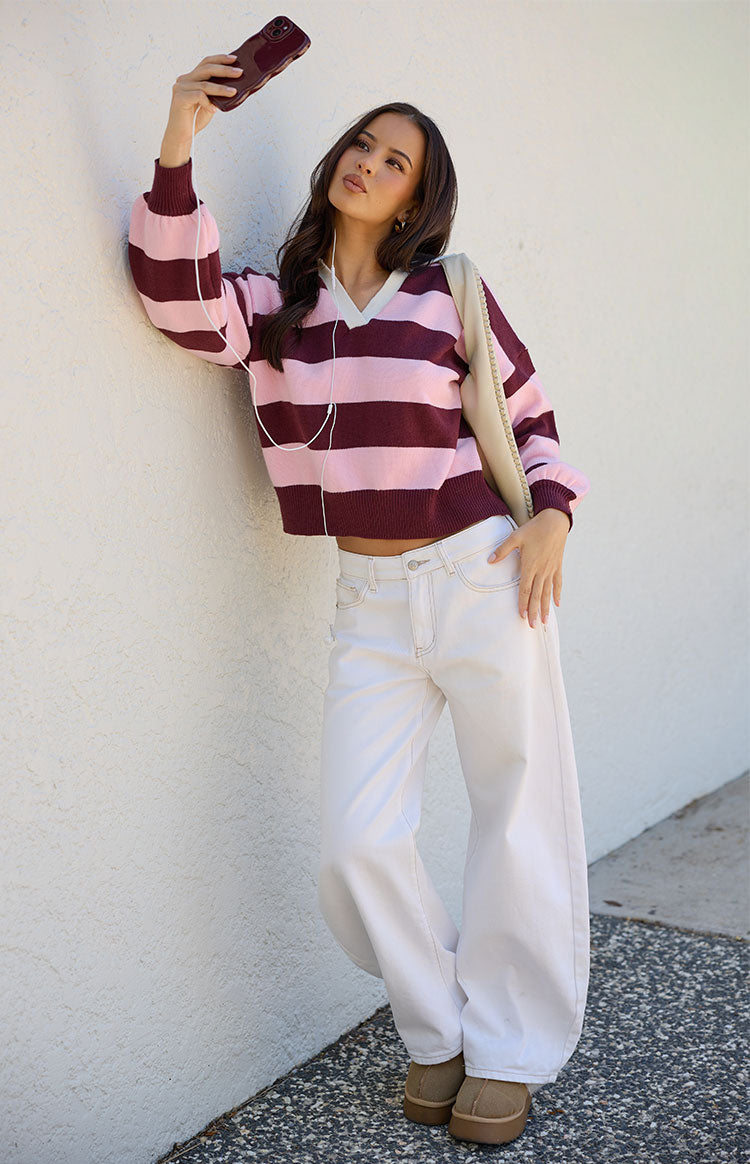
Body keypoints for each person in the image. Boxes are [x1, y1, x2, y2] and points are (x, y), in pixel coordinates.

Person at [128, 53, 591, 1147]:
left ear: (417, 198)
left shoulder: (449, 293)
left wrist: (554, 514)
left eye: (397, 161)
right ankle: (436, 1027)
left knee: (518, 815)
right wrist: (179, 133)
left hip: (482, 572)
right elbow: (174, 299)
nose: (368, 165)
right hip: (370, 600)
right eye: (362, 145)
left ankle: (513, 1050)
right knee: (354, 840)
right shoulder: (276, 307)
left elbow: (528, 412)